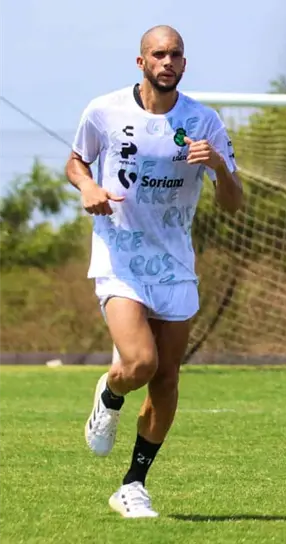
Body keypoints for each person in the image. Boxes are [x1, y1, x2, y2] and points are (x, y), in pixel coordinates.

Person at [66, 25, 243, 518]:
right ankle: (111, 389)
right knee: (140, 363)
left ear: (184, 64)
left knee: (166, 382)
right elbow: (76, 162)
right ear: (141, 62)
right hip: (120, 259)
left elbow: (234, 204)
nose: (167, 61)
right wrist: (87, 189)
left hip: (175, 265)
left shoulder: (203, 122)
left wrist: (222, 170)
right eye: (158, 54)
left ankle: (133, 485)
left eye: (176, 55)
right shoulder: (104, 111)